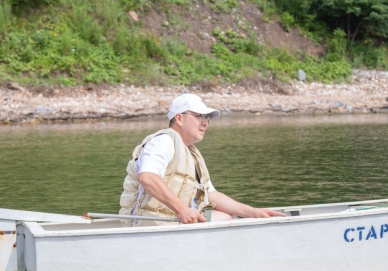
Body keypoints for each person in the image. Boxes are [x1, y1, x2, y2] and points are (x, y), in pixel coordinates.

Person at [119, 93, 284, 226]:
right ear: (179, 119)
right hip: (148, 225)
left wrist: (254, 212)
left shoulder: (192, 153)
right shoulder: (163, 141)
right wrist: (182, 209)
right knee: (223, 219)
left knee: (225, 217)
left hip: (173, 221)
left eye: (207, 118)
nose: (205, 123)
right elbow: (148, 178)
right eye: (199, 116)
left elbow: (211, 195)